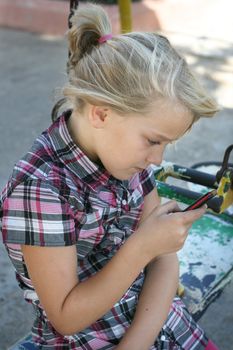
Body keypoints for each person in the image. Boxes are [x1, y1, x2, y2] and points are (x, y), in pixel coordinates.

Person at [0, 4, 219, 350]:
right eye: (153, 140)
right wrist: (141, 247)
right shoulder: (41, 190)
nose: (157, 159)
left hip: (163, 327)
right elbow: (67, 316)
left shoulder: (125, 159)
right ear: (102, 114)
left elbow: (163, 262)